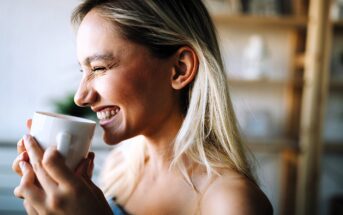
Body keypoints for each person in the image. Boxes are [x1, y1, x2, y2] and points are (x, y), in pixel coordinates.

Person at [12, 0, 273, 214]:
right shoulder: (119, 167)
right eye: (83, 70)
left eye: (99, 68)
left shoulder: (231, 202)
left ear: (180, 69)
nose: (81, 97)